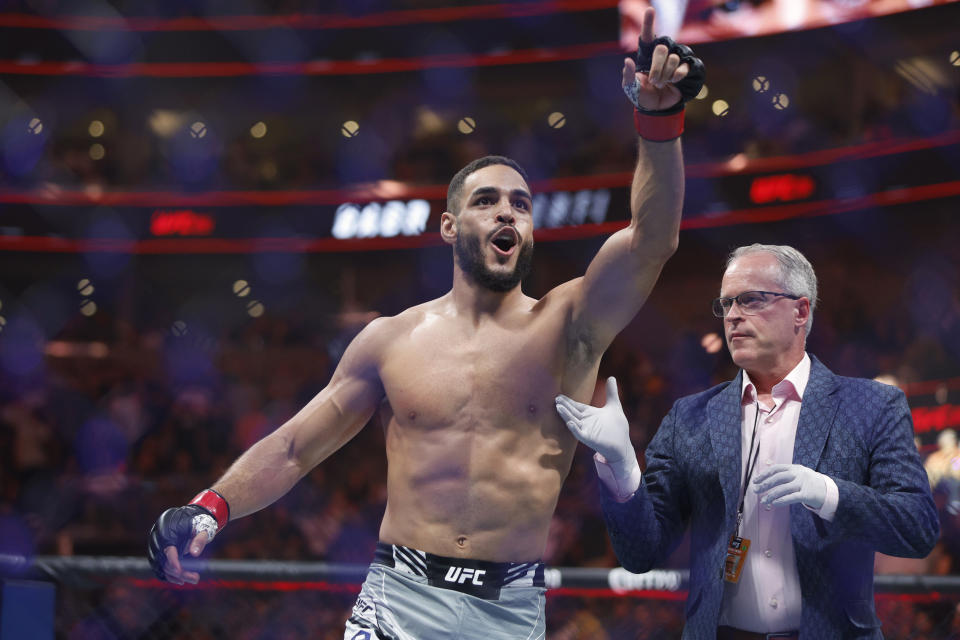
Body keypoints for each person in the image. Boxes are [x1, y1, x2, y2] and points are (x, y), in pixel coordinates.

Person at [146, 8, 704, 638]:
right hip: (396, 599)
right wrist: (208, 507)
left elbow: (651, 241)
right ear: (447, 226)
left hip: (509, 608)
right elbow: (297, 446)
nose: (507, 214)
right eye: (486, 201)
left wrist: (659, 122)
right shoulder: (390, 340)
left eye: (521, 205)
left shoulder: (569, 323)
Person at [557, 243, 938, 640]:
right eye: (726, 304)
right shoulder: (689, 418)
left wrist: (829, 494)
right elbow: (640, 554)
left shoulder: (871, 406)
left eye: (751, 300)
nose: (733, 315)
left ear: (800, 311)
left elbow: (918, 528)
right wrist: (621, 466)